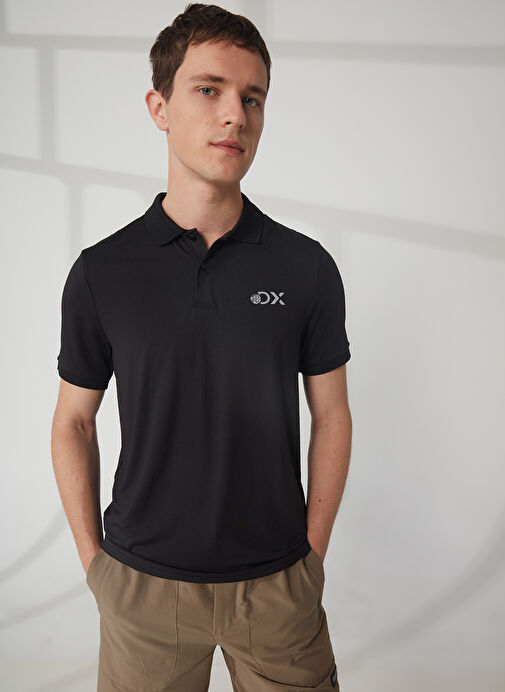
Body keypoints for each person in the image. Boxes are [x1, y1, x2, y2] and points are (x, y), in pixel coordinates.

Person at [51, 3, 352, 690]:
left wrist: (310, 557)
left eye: (252, 98)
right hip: (142, 589)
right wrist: (97, 566)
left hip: (278, 586)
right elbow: (73, 422)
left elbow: (332, 414)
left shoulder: (305, 267)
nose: (234, 116)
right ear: (159, 107)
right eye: (209, 89)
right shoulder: (102, 272)